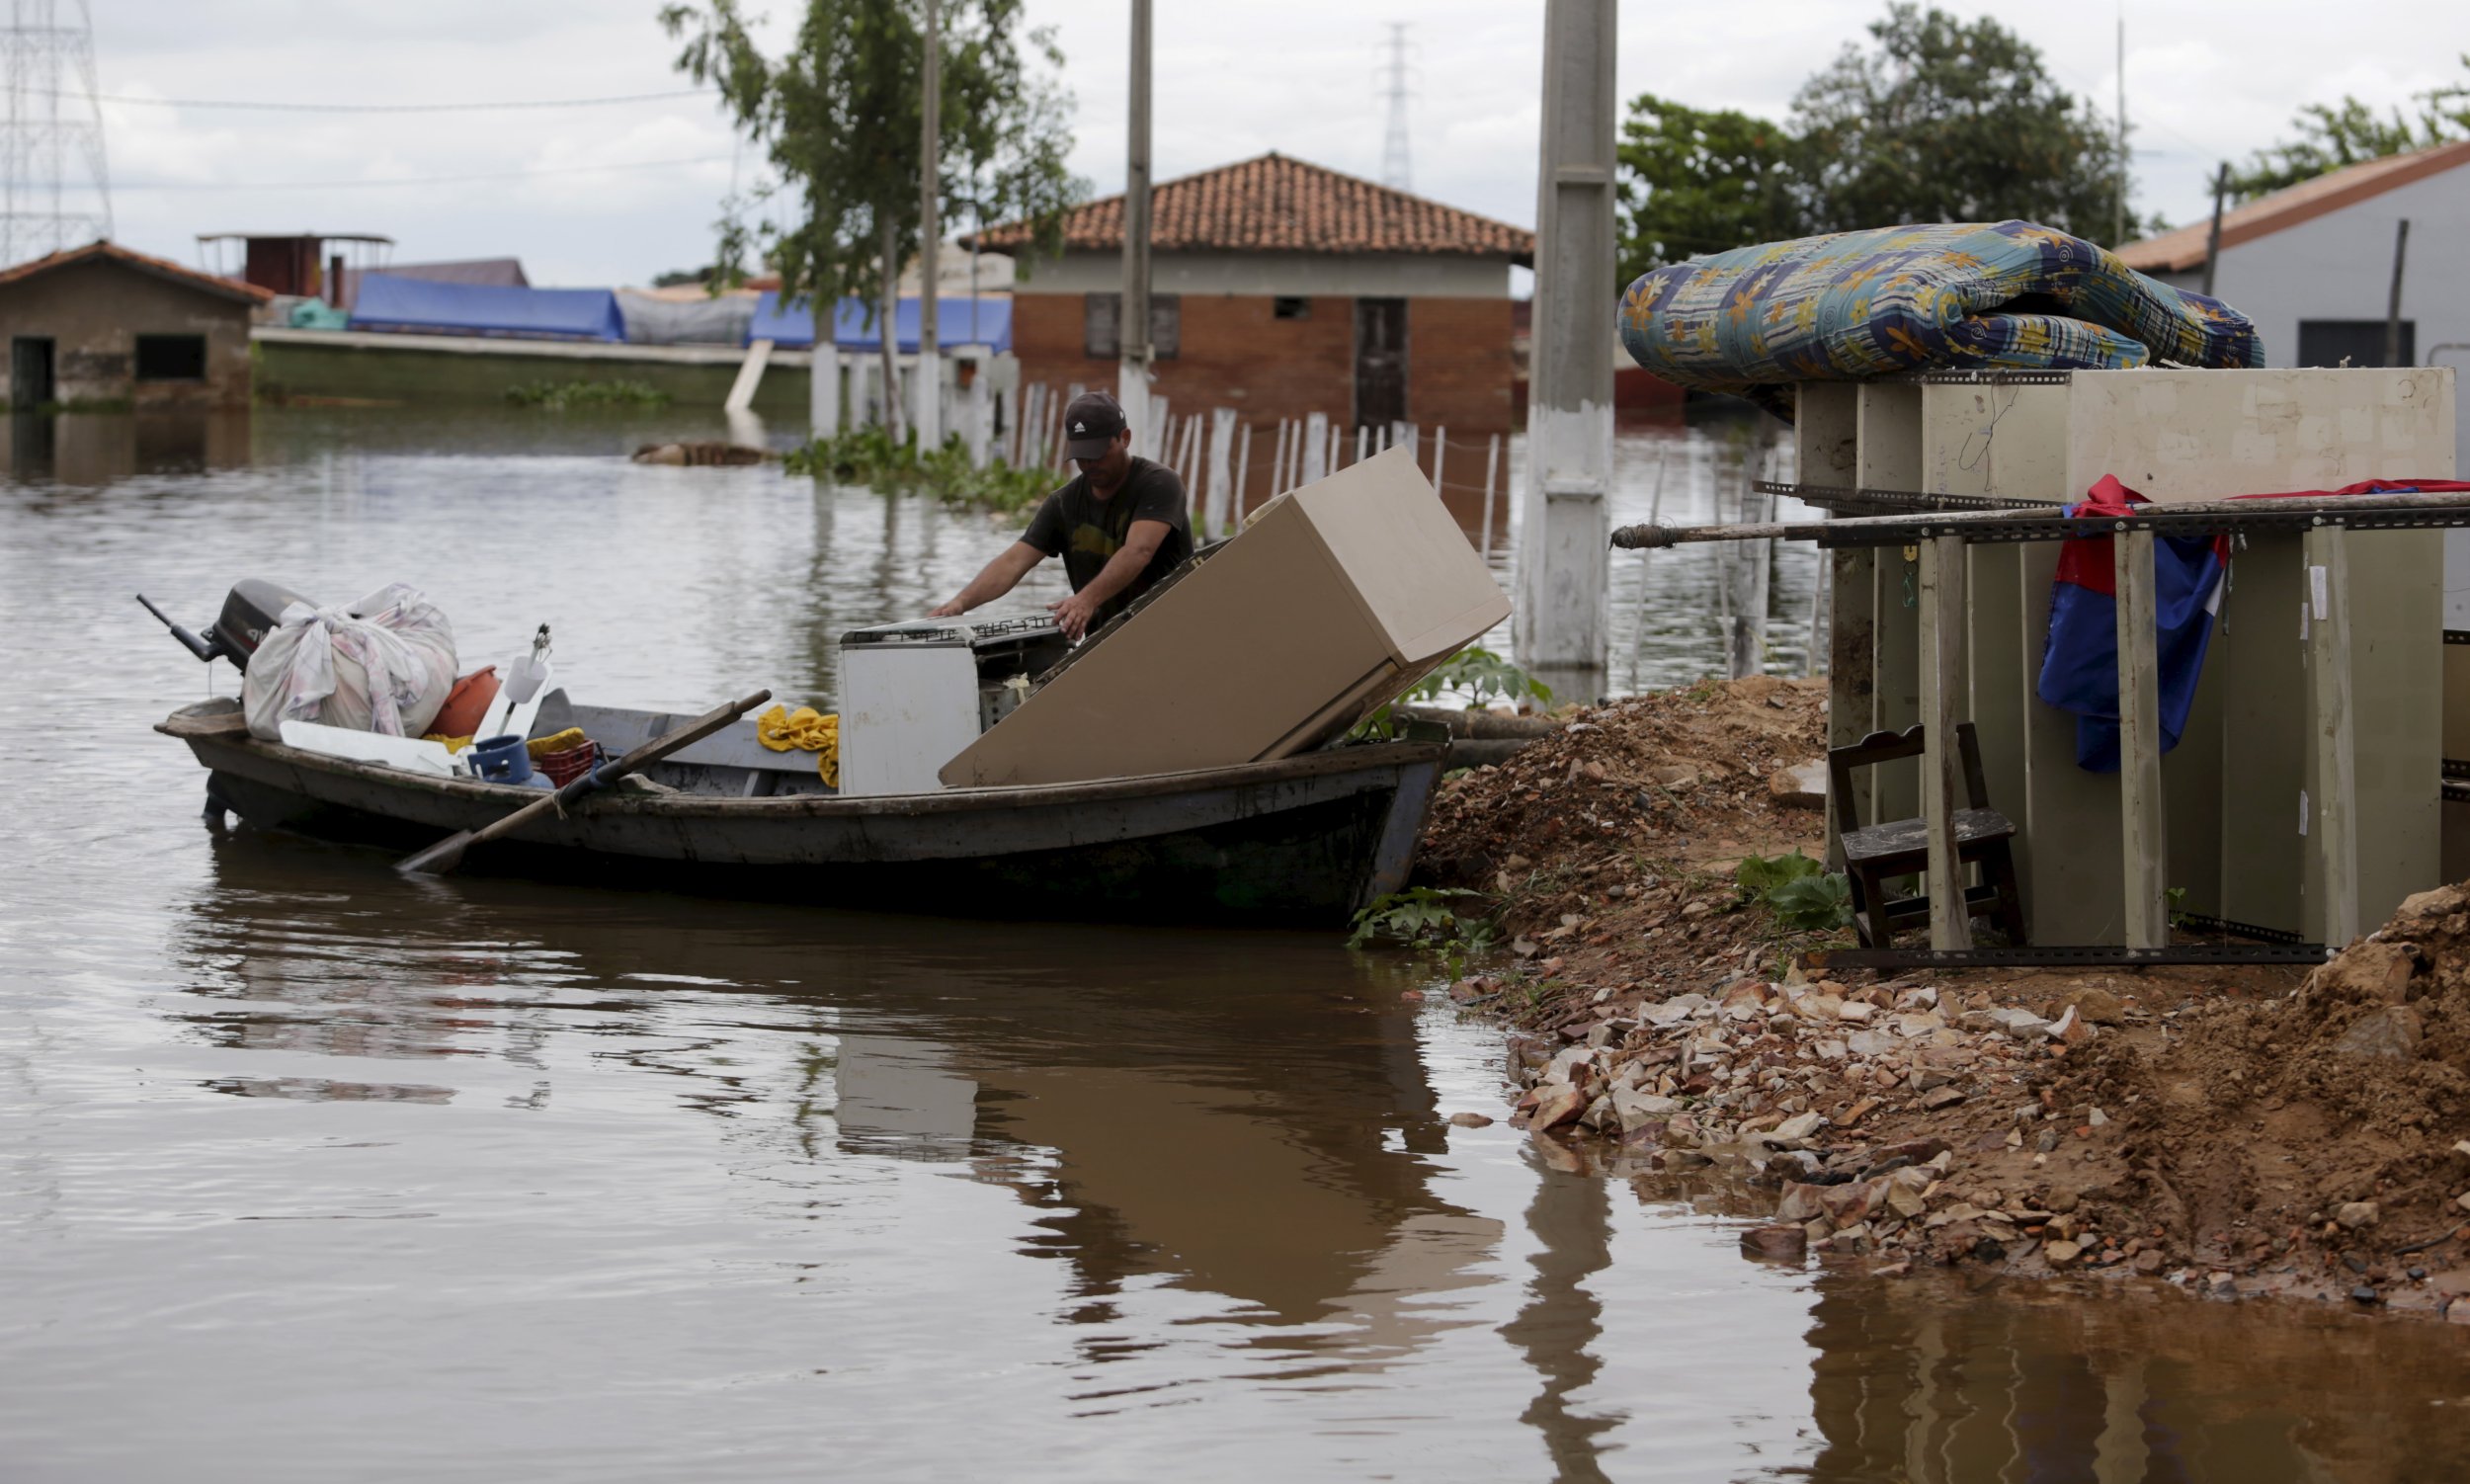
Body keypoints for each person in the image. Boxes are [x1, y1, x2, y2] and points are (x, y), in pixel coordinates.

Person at [928, 391, 1194, 641]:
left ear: (1124, 438)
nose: (1090, 464)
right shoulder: (1062, 504)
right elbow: (1014, 562)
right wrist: (961, 602)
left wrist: (1085, 600)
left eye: (1098, 454)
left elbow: (1139, 550)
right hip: (1106, 641)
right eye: (1082, 456)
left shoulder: (1159, 484)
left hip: (1170, 631)